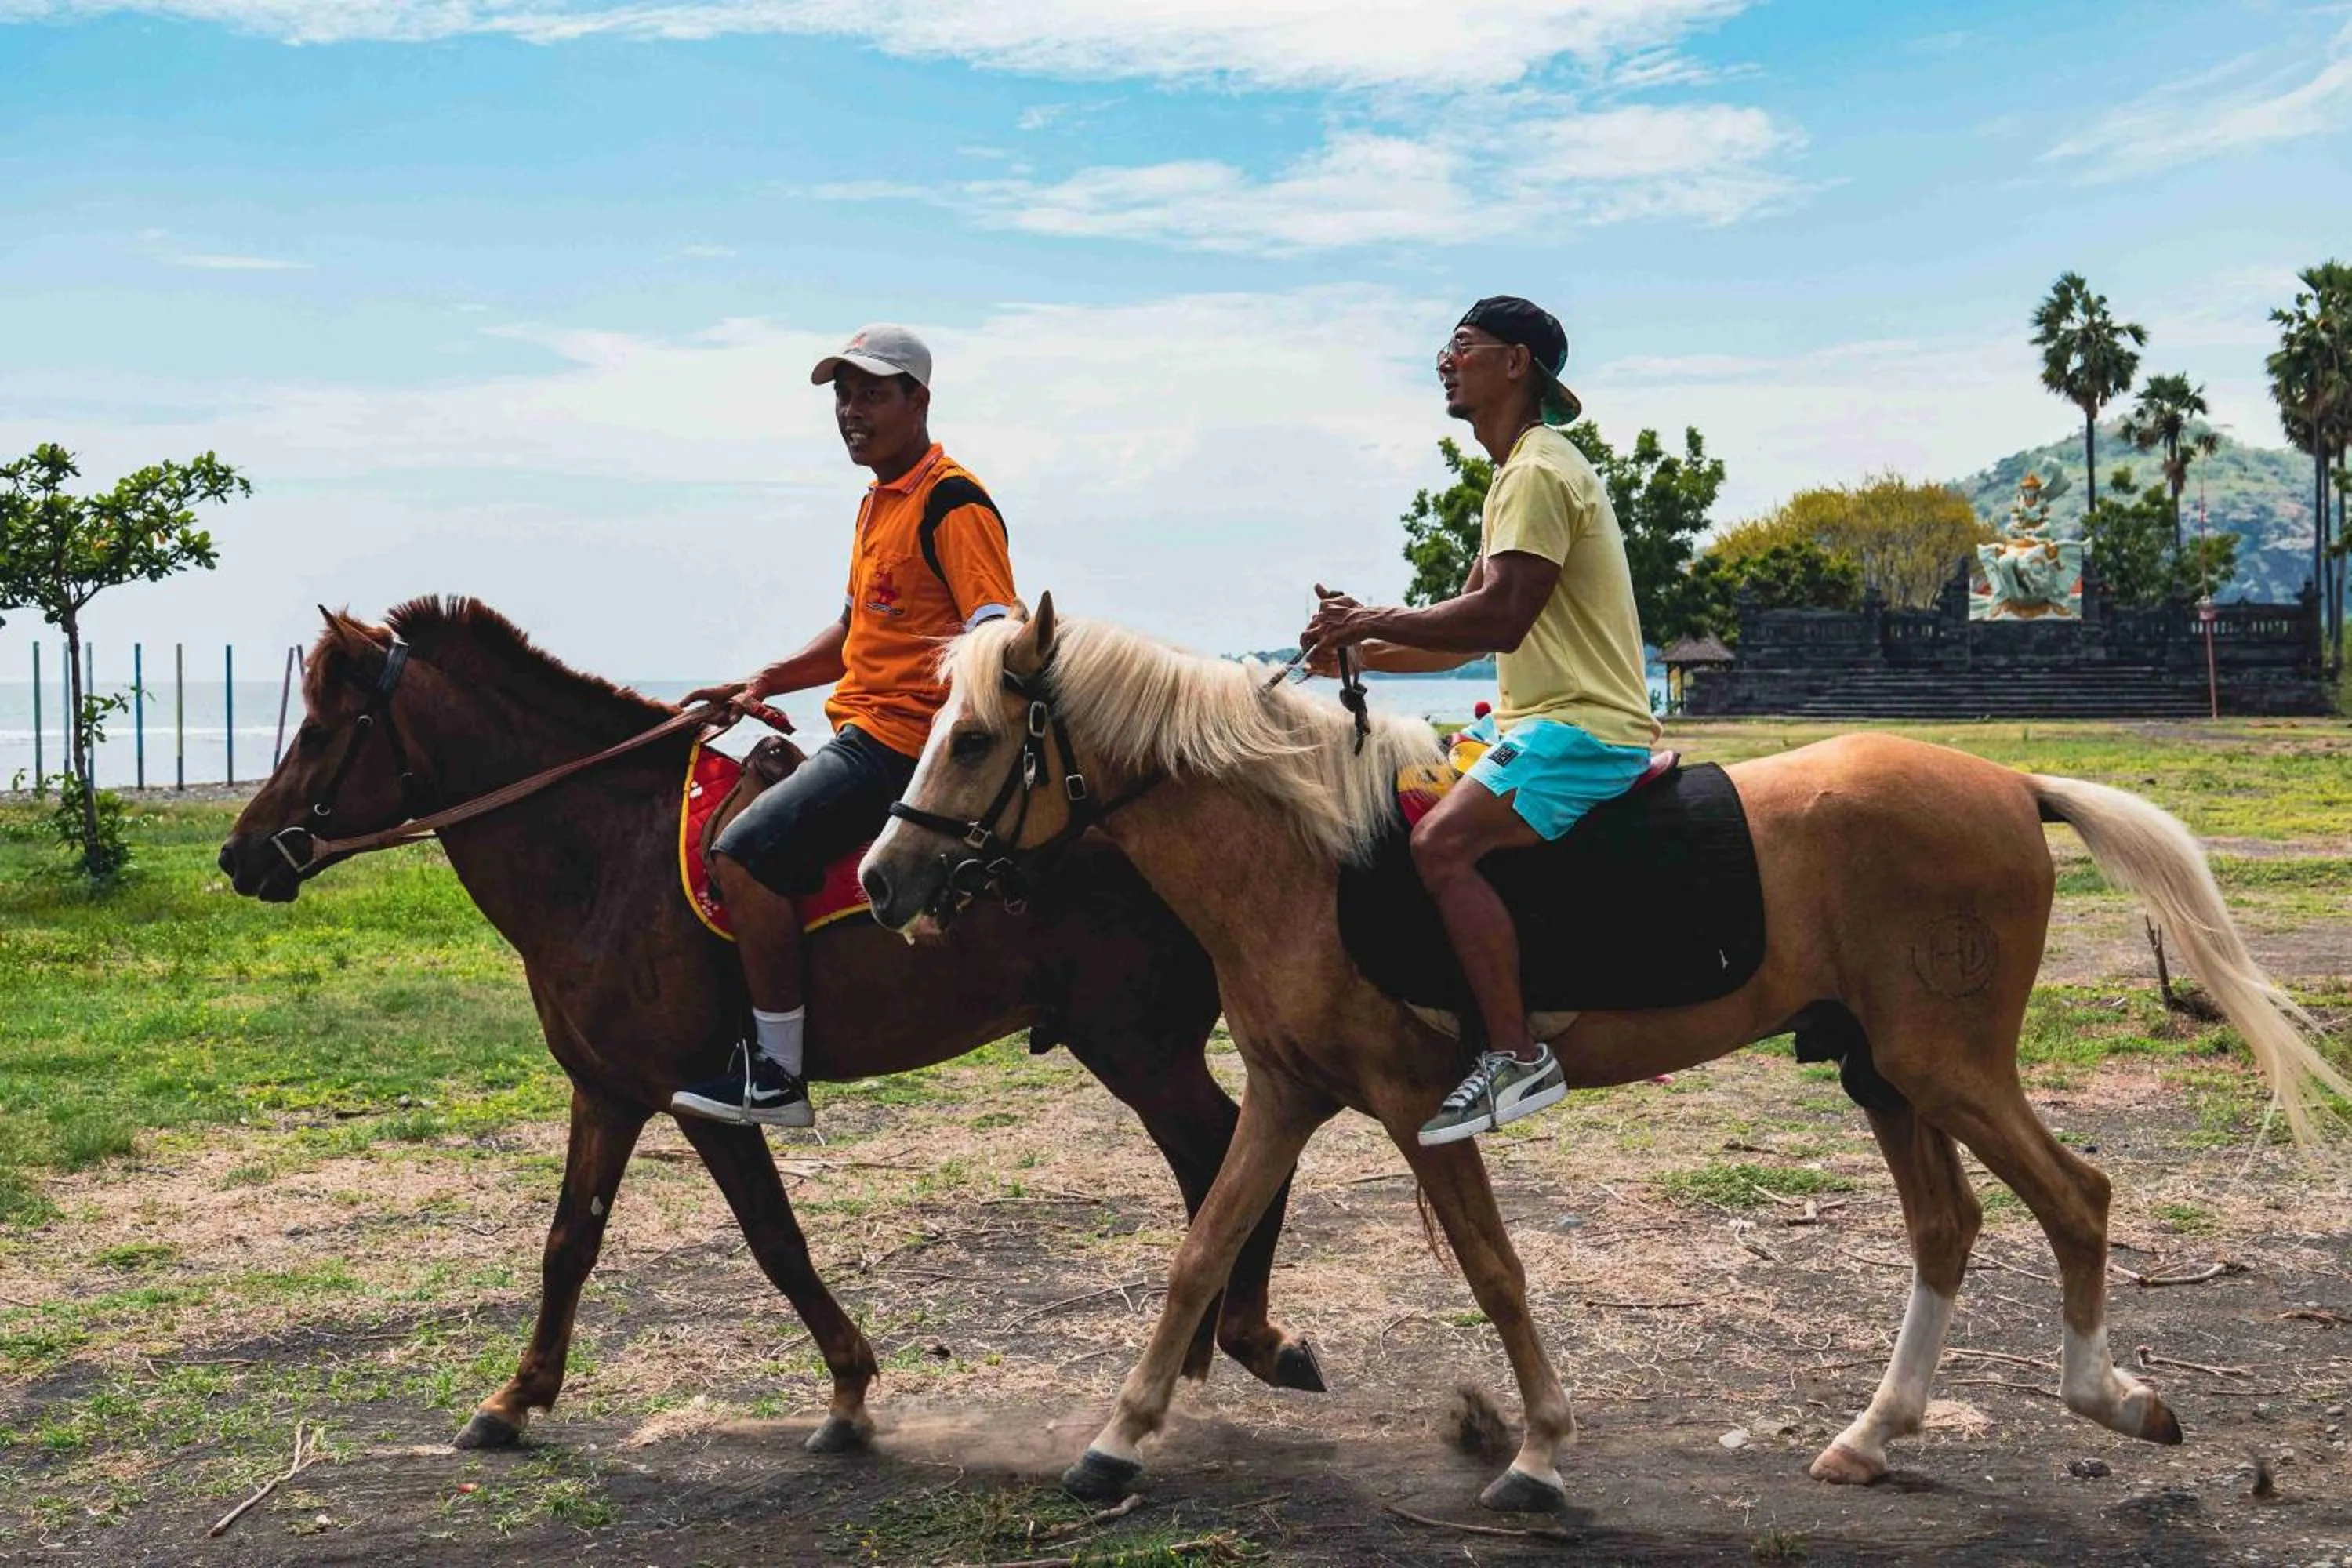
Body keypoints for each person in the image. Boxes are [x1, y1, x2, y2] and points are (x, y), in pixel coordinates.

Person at [1299, 296, 1659, 1146]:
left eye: (1463, 346)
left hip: (1583, 726)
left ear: (1515, 363)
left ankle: (1515, 1051)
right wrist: (1353, 656)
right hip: (1536, 719)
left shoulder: (1538, 470)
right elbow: (1463, 631)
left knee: (1441, 843)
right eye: (1445, 347)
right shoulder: (1515, 475)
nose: (1444, 361)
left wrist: (1370, 617)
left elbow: (1497, 619)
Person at [670, 324, 1016, 1127]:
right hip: (862, 729)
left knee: (743, 855)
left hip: (902, 746)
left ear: (918, 399)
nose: (851, 411)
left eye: (872, 392)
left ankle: (777, 1074)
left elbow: (995, 635)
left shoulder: (951, 501)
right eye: (842, 395)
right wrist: (765, 678)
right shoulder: (877, 503)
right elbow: (855, 629)